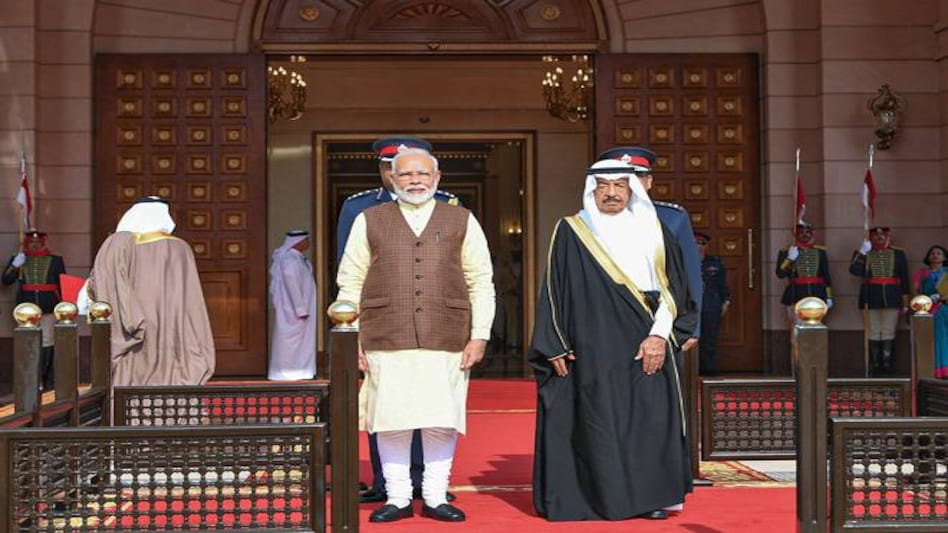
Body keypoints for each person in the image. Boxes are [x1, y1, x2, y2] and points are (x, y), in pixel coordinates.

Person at [530, 149, 698, 522]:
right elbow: (554, 290)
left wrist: (658, 337)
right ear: (592, 190)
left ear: (633, 189)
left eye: (620, 186)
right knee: (597, 419)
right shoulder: (571, 230)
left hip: (646, 336)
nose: (611, 193)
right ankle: (594, 498)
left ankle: (651, 497)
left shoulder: (656, 230)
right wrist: (554, 342)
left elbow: (675, 292)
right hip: (590, 341)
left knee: (649, 419)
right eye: (603, 186)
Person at [336, 148, 494, 523]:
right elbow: (350, 279)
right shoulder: (369, 219)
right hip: (384, 334)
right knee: (392, 420)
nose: (415, 181)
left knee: (440, 419)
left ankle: (437, 496)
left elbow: (480, 281)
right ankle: (398, 497)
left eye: (423, 174)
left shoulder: (462, 219)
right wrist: (352, 335)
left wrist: (480, 335)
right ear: (392, 179)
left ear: (437, 179)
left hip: (448, 335)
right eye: (406, 175)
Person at [88, 196, 215, 386]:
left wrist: (130, 317)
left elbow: (100, 284)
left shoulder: (116, 244)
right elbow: (191, 300)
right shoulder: (180, 247)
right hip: (173, 323)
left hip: (131, 322)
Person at [2, 230, 66, 390]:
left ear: (43, 242)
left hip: (48, 307)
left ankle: (46, 378)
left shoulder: (55, 260)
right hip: (26, 310)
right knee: (28, 343)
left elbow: (62, 283)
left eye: (38, 242)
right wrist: (15, 266)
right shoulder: (19, 260)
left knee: (47, 343)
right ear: (27, 243)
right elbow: (6, 280)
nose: (35, 245)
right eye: (31, 242)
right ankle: (30, 378)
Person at [849, 226, 911, 375]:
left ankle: (887, 366)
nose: (879, 237)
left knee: (889, 331)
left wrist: (905, 301)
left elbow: (904, 277)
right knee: (873, 332)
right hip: (870, 297)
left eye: (882, 235)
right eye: (876, 235)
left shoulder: (898, 253)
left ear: (888, 236)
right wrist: (862, 253)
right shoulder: (864, 253)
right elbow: (854, 271)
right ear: (870, 238)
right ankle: (875, 366)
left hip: (892, 296)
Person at [268, 230, 317, 380]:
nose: (308, 243)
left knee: (301, 342)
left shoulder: (298, 259)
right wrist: (300, 308)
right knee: (289, 343)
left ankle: (302, 371)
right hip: (292, 310)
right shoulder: (289, 260)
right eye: (306, 240)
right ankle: (285, 373)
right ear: (298, 242)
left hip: (300, 307)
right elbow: (292, 284)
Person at [775, 223, 834, 320]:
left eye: (807, 232)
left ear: (812, 234)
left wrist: (829, 296)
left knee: (816, 325)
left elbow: (826, 276)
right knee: (797, 326)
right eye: (801, 232)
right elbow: (780, 274)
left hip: (817, 293)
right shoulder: (786, 251)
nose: (805, 235)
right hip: (796, 293)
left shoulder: (820, 252)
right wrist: (790, 259)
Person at [695, 232, 730, 375]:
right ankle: (692, 369)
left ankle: (708, 369)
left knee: (709, 338)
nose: (699, 247)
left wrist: (726, 301)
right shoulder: (685, 260)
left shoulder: (714, 263)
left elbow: (722, 284)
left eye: (703, 244)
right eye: (697, 243)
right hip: (691, 305)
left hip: (711, 303)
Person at [913, 245, 948, 378]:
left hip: (945, 306)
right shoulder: (921, 273)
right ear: (928, 257)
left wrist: (942, 297)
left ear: (944, 257)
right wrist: (926, 300)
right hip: (929, 310)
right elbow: (916, 293)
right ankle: (940, 371)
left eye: (939, 253)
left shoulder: (947, 273)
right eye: (932, 253)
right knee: (937, 339)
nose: (935, 255)